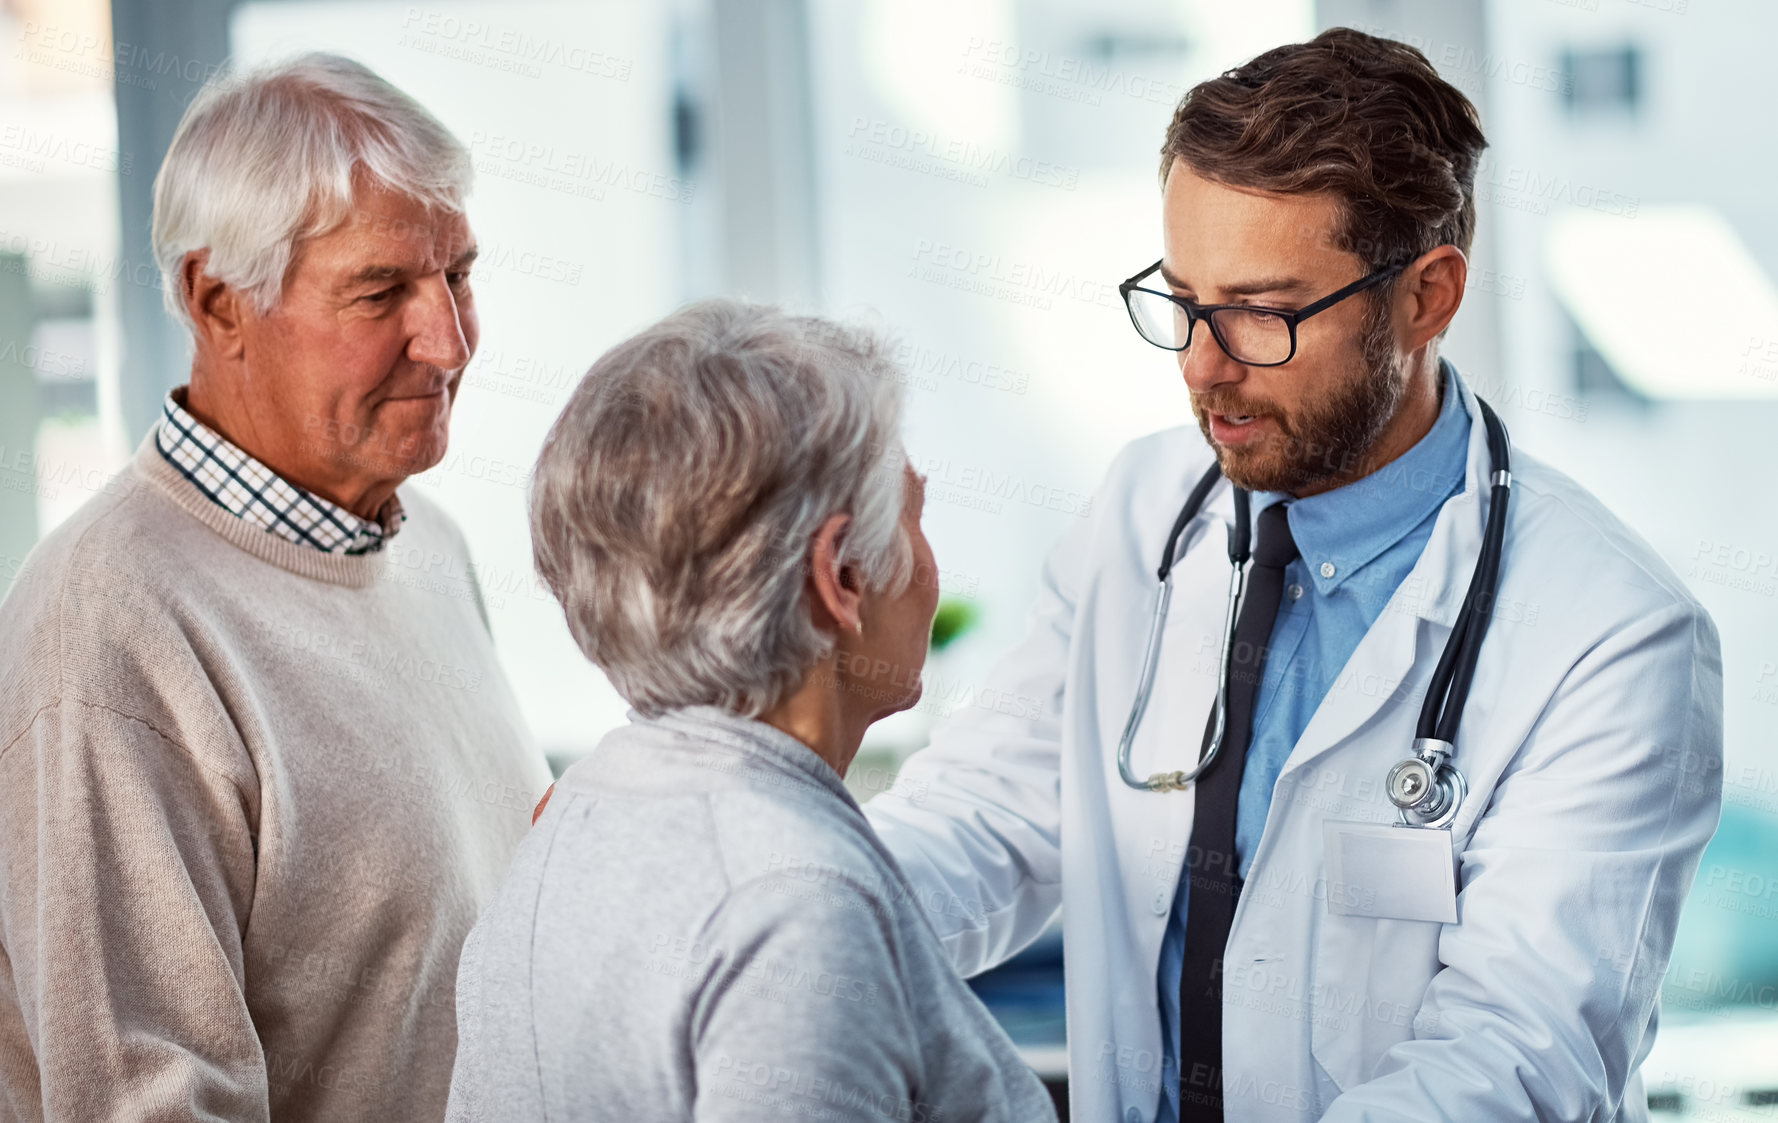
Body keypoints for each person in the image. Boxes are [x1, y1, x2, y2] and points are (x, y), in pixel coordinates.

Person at [862, 28, 1723, 1123]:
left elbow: (1517, 1053)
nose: (1199, 364)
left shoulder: (1611, 633)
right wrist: (774, 903)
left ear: (1425, 298)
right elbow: (983, 818)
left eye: (1260, 313)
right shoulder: (1142, 511)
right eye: (1180, 299)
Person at [0, 54, 551, 1121]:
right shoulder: (106, 630)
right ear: (217, 301)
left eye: (459, 276)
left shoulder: (420, 541)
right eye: (381, 290)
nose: (448, 340)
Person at [443, 300, 1058, 1123]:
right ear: (840, 576)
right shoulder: (800, 904)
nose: (930, 565)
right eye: (915, 515)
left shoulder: (577, 812)